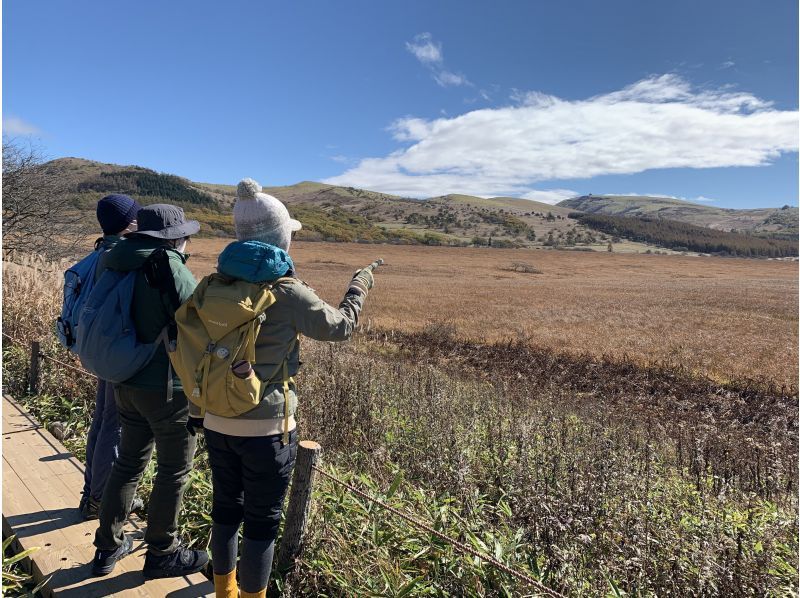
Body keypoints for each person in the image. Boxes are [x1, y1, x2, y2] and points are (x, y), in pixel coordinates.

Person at [198, 179, 376, 598]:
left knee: (225, 510)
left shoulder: (213, 284)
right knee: (261, 521)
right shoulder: (287, 291)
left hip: (215, 418)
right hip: (266, 427)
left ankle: (224, 593)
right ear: (280, 237)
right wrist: (360, 285)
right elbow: (342, 327)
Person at [91, 204, 209, 578]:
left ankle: (106, 548)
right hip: (165, 387)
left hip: (125, 378)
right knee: (174, 470)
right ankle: (163, 552)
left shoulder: (115, 256)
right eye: (184, 236)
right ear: (172, 237)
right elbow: (199, 318)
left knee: (128, 463)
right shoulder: (166, 262)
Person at [80, 194, 145, 520]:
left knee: (103, 419)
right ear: (129, 222)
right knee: (113, 425)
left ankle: (91, 492)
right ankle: (100, 499)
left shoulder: (100, 250)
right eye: (137, 218)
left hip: (96, 347)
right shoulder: (121, 254)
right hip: (114, 351)